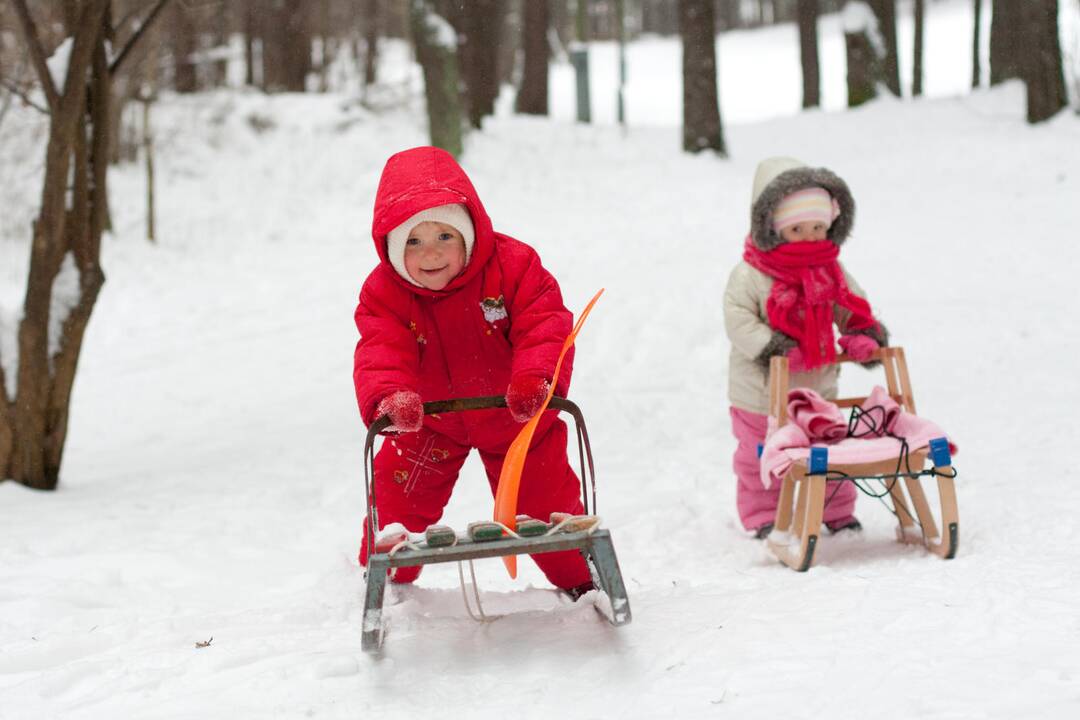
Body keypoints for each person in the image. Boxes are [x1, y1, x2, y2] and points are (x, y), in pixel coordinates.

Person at [353, 146, 593, 597]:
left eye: (444, 236)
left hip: (515, 417)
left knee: (545, 502)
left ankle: (581, 577)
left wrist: (535, 379)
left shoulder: (514, 266)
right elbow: (380, 348)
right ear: (390, 245)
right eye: (413, 241)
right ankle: (383, 579)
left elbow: (544, 324)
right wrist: (391, 398)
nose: (430, 254)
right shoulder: (384, 292)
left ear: (469, 230)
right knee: (397, 498)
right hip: (431, 423)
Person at [723, 157, 889, 538]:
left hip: (817, 389)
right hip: (760, 394)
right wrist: (773, 347)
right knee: (762, 456)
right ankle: (764, 515)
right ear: (772, 227)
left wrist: (862, 333)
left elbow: (849, 305)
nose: (810, 237)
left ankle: (836, 512)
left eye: (818, 227)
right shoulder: (750, 274)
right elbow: (738, 319)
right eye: (798, 229)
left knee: (826, 451)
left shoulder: (829, 270)